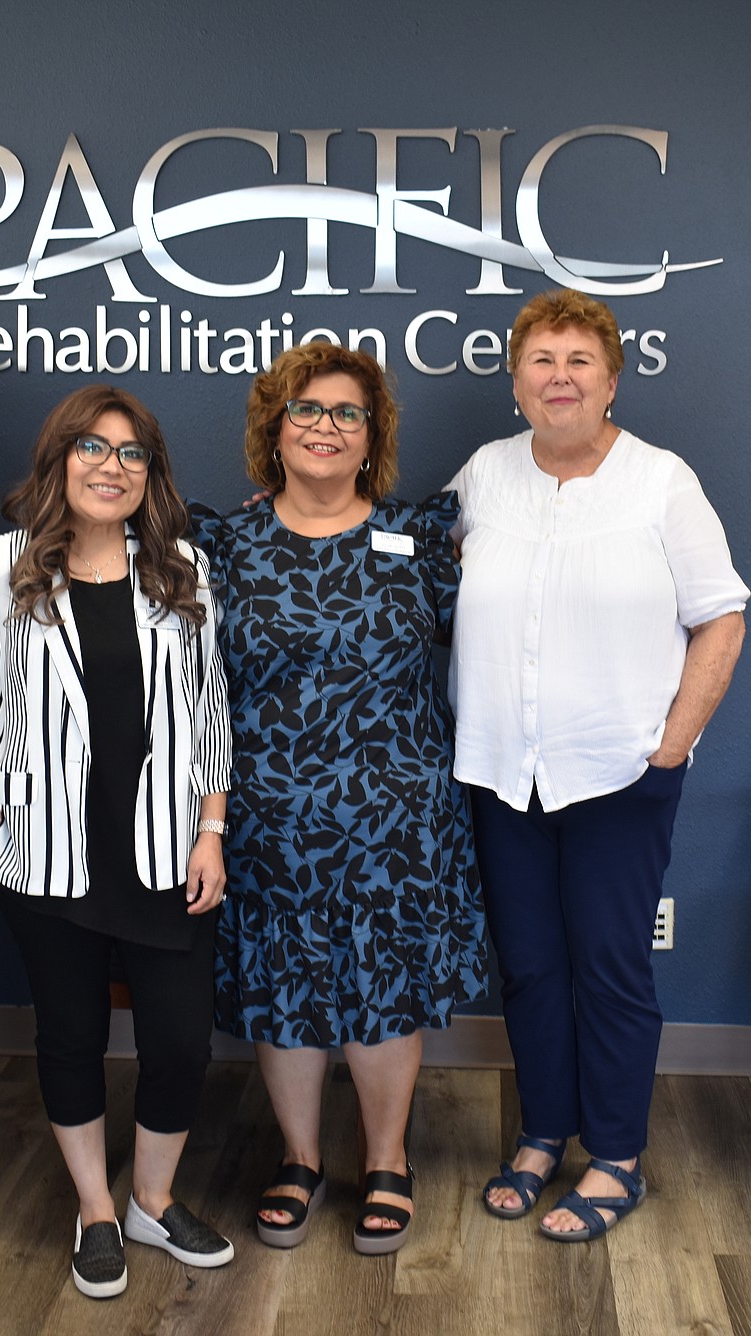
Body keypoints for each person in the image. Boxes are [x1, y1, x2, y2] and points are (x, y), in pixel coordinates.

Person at [0, 385, 235, 1298]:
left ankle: (152, 1204)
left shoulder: (183, 570)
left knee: (179, 1044)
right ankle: (94, 1212)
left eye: (131, 453)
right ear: (58, 461)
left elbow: (210, 714)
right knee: (71, 1036)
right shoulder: (1, 566)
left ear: (150, 475)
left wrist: (211, 829)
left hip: (167, 853)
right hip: (44, 857)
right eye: (92, 447)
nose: (111, 466)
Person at [448, 289, 748, 1243]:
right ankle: (542, 1137)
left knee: (610, 967)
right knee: (530, 968)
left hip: (619, 772)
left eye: (580, 360)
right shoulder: (485, 476)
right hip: (501, 770)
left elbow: (722, 617)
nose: (561, 376)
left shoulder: (661, 481)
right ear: (516, 380)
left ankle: (615, 1156)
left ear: (612, 379)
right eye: (542, 359)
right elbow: (408, 564)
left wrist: (669, 746)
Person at [191, 344, 486, 1256]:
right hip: (270, 814)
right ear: (274, 431)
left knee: (384, 991)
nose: (325, 425)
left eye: (347, 413)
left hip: (398, 818)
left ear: (373, 437)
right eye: (305, 410)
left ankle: (388, 1159)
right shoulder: (223, 547)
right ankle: (300, 1156)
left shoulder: (424, 542)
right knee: (286, 991)